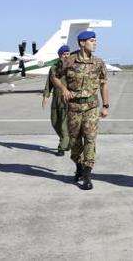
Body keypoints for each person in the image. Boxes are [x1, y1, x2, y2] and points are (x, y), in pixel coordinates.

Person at [51, 31, 109, 190]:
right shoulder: (69, 61)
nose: (95, 43)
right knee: (75, 140)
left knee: (90, 139)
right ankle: (78, 167)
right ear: (82, 43)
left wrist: (105, 106)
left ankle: (87, 176)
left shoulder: (99, 63)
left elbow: (104, 84)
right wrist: (63, 88)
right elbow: (54, 76)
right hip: (74, 108)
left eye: (95, 40)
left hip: (91, 107)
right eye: (92, 41)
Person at [42, 45, 71, 156]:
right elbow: (49, 83)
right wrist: (45, 96)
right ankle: (67, 141)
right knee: (54, 122)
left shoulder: (72, 68)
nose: (66, 56)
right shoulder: (53, 68)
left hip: (67, 99)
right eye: (64, 54)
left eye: (68, 54)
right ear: (59, 55)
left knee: (64, 124)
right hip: (56, 99)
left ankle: (62, 147)